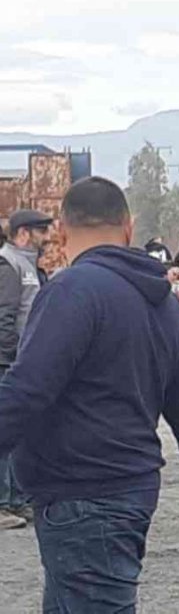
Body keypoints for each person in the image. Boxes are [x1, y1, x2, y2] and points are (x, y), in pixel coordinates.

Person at [0, 177, 179, 611]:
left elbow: (26, 391)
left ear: (63, 234)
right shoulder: (163, 302)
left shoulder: (71, 292)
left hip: (81, 492)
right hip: (129, 487)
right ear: (128, 228)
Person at [0, 208, 53, 529]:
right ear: (23, 234)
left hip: (25, 362)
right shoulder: (8, 266)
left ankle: (19, 499)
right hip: (9, 363)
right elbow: (4, 317)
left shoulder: (31, 267)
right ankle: (3, 503)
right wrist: (10, 359)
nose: (47, 238)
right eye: (42, 231)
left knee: (23, 433)